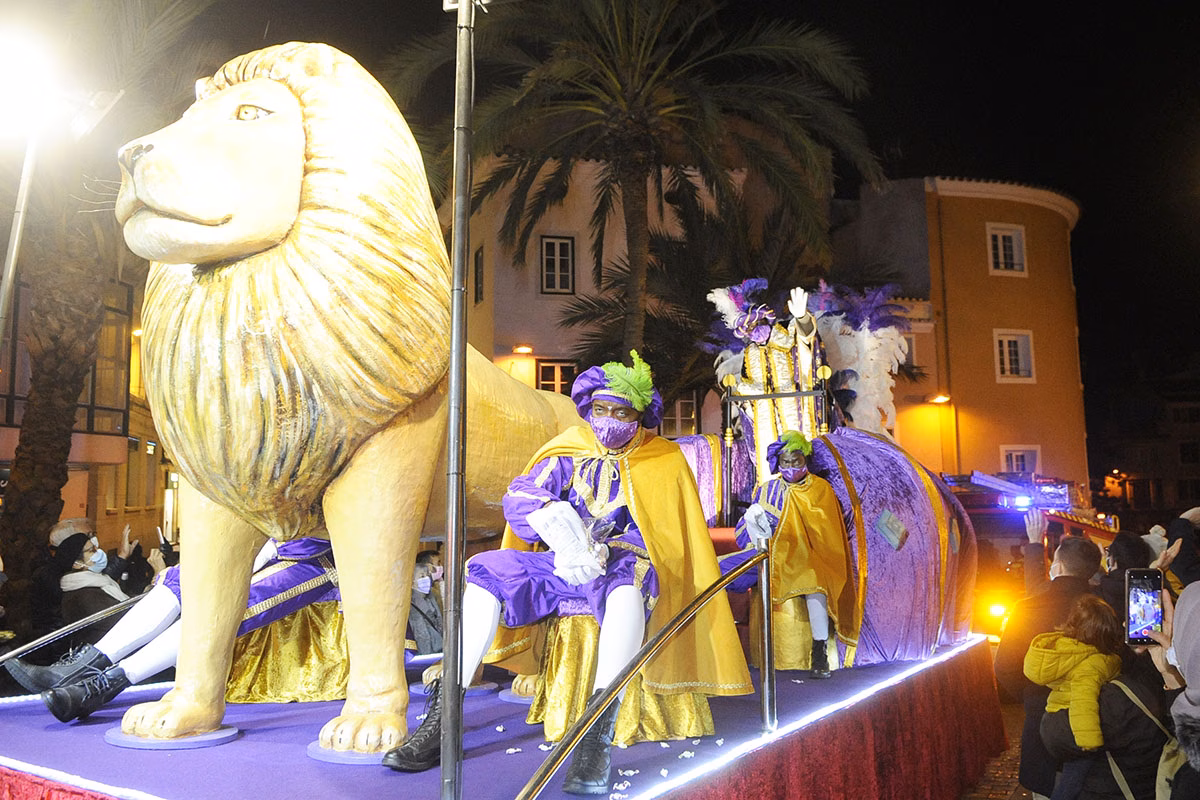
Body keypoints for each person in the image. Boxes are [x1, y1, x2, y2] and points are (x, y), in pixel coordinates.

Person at [383, 351, 752, 795]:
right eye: (601, 409)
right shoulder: (568, 448)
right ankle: (442, 722)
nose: (609, 420)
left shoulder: (664, 459)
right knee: (484, 573)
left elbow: (668, 541)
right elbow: (521, 494)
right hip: (559, 562)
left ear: (640, 416)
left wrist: (605, 551)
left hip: (623, 565)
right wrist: (550, 518)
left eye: (622, 412)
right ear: (587, 407)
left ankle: (594, 737)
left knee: (626, 594)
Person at [4, 536, 338, 722]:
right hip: (256, 539)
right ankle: (80, 667)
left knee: (228, 602)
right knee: (181, 576)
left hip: (315, 554)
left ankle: (102, 687)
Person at [718, 430, 854, 677]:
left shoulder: (820, 489)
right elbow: (743, 536)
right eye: (785, 462)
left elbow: (826, 533)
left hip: (808, 557)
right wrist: (753, 522)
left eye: (796, 461)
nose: (791, 467)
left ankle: (819, 649)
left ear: (805, 460)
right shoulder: (767, 489)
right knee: (714, 571)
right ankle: (718, 649)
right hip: (766, 555)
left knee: (814, 582)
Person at [994, 509, 1103, 800]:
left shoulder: (1029, 607)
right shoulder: (1104, 606)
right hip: (1096, 721)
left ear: (1057, 565)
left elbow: (1004, 667)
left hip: (1042, 724)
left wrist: (1032, 693)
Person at [1023, 594, 1124, 800]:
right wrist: (1089, 742)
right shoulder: (1094, 663)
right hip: (1071, 726)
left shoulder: (1071, 651)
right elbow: (1083, 701)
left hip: (1052, 719)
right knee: (1076, 773)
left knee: (1071, 772)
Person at [408, 549, 443, 656]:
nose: (426, 579)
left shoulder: (432, 596)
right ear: (412, 582)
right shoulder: (412, 603)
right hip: (427, 653)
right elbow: (421, 633)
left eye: (428, 576)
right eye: (422, 576)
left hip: (439, 649)